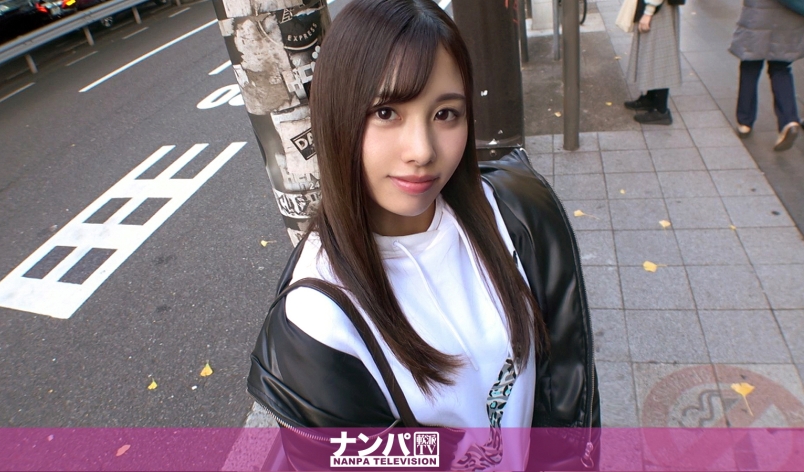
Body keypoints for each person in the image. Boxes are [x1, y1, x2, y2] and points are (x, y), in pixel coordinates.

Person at [247, 0, 599, 470]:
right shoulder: (318, 326)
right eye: (386, 112)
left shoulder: (518, 212)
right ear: (336, 117)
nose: (422, 151)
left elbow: (566, 396)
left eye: (446, 114)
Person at [730, 0, 804, 152]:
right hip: (789, 17)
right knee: (781, 67)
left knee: (750, 65)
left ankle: (745, 121)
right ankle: (788, 120)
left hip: (758, 15)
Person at [623, 0, 683, 125]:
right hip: (660, 8)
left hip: (659, 9)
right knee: (654, 53)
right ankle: (651, 98)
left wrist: (648, 11)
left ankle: (661, 110)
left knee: (660, 55)